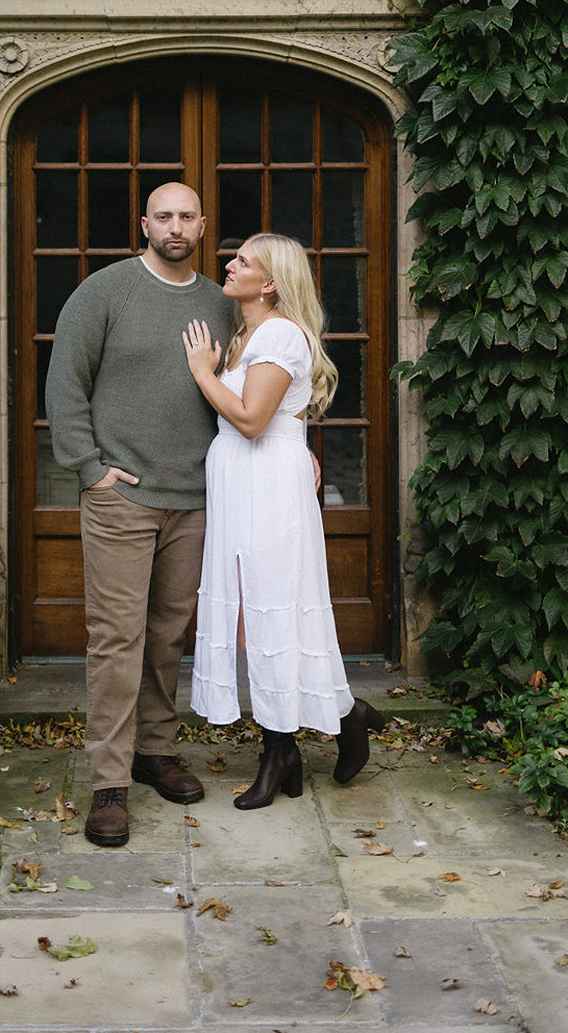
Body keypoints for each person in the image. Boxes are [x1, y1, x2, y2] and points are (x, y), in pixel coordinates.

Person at [45, 182, 236, 847]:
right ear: (145, 224)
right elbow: (64, 382)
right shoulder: (103, 292)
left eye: (186, 216)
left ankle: (156, 751)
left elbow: (245, 391)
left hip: (194, 498)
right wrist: (89, 468)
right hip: (121, 497)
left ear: (203, 225)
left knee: (166, 636)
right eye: (164, 216)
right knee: (116, 641)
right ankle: (108, 782)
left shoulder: (220, 301)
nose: (175, 226)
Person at [182, 231, 384, 808]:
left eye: (242, 260)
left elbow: (250, 419)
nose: (230, 262)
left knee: (275, 612)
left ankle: (288, 749)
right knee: (253, 615)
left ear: (269, 282)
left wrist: (203, 373)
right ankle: (329, 727)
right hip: (240, 479)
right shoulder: (246, 332)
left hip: (267, 483)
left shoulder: (279, 333)